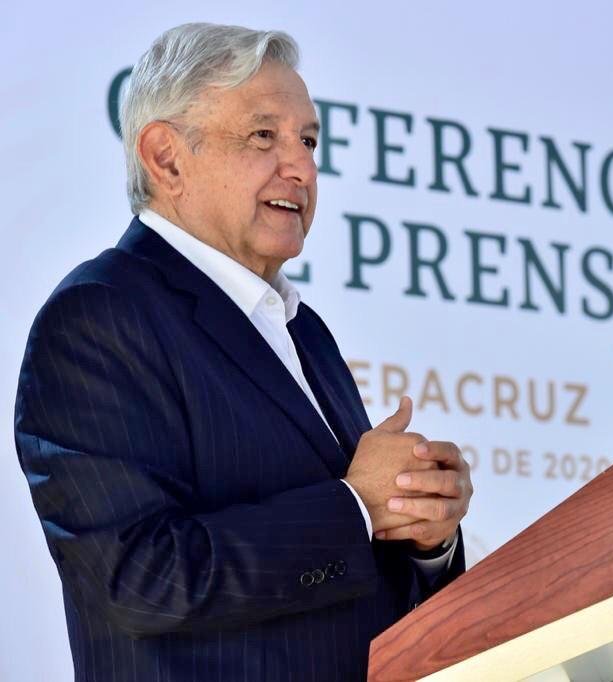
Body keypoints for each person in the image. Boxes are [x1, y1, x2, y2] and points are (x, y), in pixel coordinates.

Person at [14, 23, 472, 681]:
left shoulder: (304, 331)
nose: (302, 168)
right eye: (263, 136)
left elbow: (345, 578)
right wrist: (355, 506)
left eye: (309, 141)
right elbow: (139, 577)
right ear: (167, 158)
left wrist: (424, 538)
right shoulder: (100, 316)